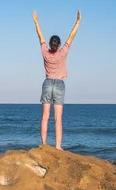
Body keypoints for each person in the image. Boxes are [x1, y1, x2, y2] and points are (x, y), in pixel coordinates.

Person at [32, 10, 81, 150]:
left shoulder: (44, 52)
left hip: (47, 84)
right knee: (58, 119)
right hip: (59, 84)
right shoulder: (63, 52)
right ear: (58, 45)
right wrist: (78, 22)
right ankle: (58, 146)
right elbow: (71, 36)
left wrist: (36, 21)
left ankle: (43, 144)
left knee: (45, 116)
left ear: (50, 44)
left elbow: (39, 35)